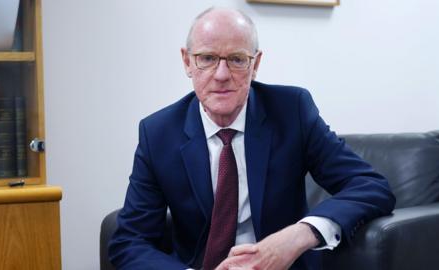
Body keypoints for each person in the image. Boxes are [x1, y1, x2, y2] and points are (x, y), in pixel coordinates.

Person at [109, 7, 395, 270]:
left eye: (236, 59)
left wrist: (299, 235)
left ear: (255, 64)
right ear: (187, 61)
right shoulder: (158, 133)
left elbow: (370, 186)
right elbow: (130, 242)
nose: (221, 75)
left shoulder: (291, 111)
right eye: (207, 58)